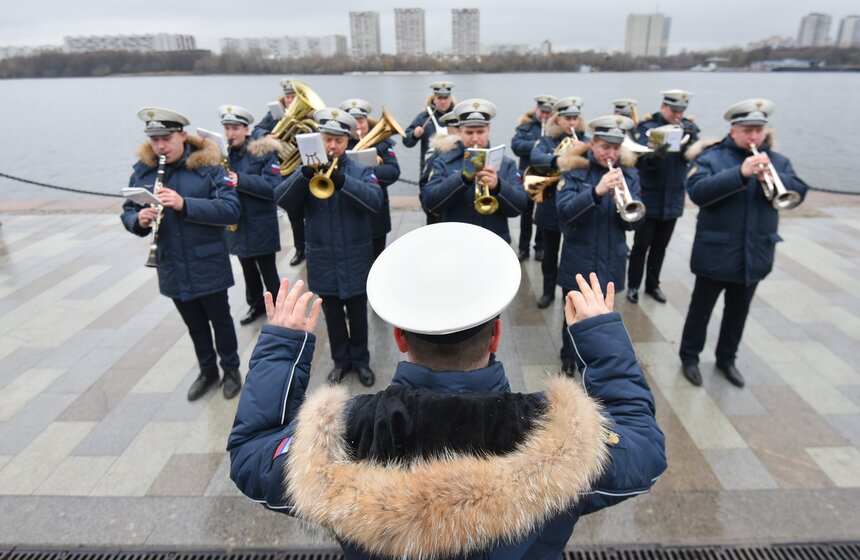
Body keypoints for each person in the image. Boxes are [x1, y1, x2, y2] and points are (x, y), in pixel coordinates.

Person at [227, 222, 666, 560]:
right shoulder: (560, 439)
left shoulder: (346, 433)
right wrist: (600, 335)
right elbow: (644, 448)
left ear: (400, 339)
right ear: (496, 336)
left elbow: (251, 453)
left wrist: (283, 346)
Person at [679, 98, 808, 388]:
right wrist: (740, 173)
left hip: (756, 253)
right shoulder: (711, 157)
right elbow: (698, 191)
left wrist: (776, 177)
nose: (754, 137)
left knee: (738, 313)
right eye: (747, 130)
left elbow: (799, 189)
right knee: (700, 310)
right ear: (733, 130)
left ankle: (727, 359)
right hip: (716, 252)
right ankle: (689, 356)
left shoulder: (778, 160)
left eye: (758, 130)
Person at [121, 107, 242, 400]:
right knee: (194, 324)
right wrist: (139, 219)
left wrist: (184, 203)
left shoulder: (208, 166)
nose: (160, 146)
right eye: (155, 140)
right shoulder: (144, 171)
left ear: (182, 135)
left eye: (166, 138)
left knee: (220, 321)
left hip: (207, 261)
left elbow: (231, 209)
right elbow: (127, 211)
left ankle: (231, 369)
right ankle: (207, 371)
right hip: (171, 263)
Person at [273, 108, 383, 387]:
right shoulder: (306, 171)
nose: (332, 146)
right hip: (324, 258)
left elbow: (375, 201)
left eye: (338, 140)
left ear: (347, 142)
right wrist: (303, 176)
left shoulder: (360, 169)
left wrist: (343, 182)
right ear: (319, 140)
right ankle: (341, 361)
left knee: (358, 315)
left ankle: (361, 360)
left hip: (355, 256)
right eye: (327, 139)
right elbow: (282, 200)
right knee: (332, 315)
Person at [556, 115, 643, 377]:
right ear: (592, 143)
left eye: (616, 148)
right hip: (580, 258)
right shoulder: (575, 170)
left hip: (612, 258)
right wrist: (596, 191)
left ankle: (595, 360)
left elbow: (633, 223)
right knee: (573, 312)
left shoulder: (629, 174)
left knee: (604, 316)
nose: (611, 153)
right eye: (605, 146)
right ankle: (568, 356)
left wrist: (623, 205)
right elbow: (565, 212)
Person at [627, 90, 700, 305]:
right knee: (641, 246)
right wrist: (658, 152)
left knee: (660, 247)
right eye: (673, 110)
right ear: (663, 107)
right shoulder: (648, 128)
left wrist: (692, 139)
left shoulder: (688, 127)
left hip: (673, 197)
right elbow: (640, 162)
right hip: (649, 197)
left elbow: (695, 157)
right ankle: (633, 285)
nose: (677, 115)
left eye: (681, 111)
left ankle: (652, 285)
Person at [421, 99, 527, 243]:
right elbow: (430, 203)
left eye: (480, 132)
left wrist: (499, 186)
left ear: (489, 130)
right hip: (455, 242)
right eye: (469, 132)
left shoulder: (506, 163)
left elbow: (519, 207)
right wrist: (462, 178)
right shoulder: (442, 161)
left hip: (494, 243)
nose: (475, 138)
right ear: (460, 132)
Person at [218, 104, 283, 326]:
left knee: (268, 271)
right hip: (237, 223)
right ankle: (255, 305)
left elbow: (274, 187)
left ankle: (277, 310)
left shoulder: (262, 151)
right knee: (247, 270)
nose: (230, 133)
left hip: (260, 223)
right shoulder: (224, 154)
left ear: (246, 129)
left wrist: (241, 180)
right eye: (226, 128)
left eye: (235, 128)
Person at [529, 96, 589, 310]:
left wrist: (585, 151)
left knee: (573, 253)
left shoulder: (586, 140)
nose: (572, 122)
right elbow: (535, 158)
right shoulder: (546, 140)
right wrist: (559, 160)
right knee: (549, 252)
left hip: (575, 206)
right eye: (567, 118)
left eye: (575, 118)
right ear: (558, 119)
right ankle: (547, 290)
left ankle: (571, 293)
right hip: (550, 205)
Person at [252, 79, 307, 268]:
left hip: (306, 168)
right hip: (287, 170)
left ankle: (314, 248)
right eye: (288, 96)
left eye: (293, 96)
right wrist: (266, 136)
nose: (290, 100)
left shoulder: (310, 113)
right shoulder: (276, 114)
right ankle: (300, 249)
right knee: (294, 215)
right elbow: (257, 129)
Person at [339, 98, 402, 260]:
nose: (359, 126)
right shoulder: (339, 145)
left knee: (377, 257)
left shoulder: (383, 144)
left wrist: (366, 170)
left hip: (377, 213)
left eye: (361, 121)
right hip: (349, 212)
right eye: (354, 123)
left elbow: (393, 172)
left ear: (367, 121)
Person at [511, 94, 556, 262]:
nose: (544, 116)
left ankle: (540, 248)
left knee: (543, 215)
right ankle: (523, 248)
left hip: (546, 177)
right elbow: (516, 146)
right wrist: (538, 145)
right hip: (527, 175)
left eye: (548, 113)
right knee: (526, 214)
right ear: (537, 109)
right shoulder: (526, 126)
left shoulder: (554, 128)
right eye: (542, 111)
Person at [402, 81, 456, 176]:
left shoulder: (458, 117)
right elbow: (407, 142)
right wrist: (414, 135)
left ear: (450, 99)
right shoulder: (423, 117)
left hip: (454, 169)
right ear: (434, 99)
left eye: (446, 98)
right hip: (429, 171)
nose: (443, 101)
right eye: (439, 98)